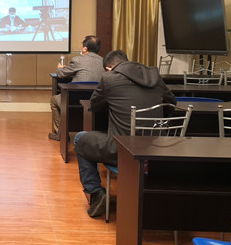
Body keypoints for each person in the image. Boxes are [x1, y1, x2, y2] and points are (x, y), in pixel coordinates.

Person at [74, 50, 176, 218]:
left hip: (123, 150)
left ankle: (96, 193)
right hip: (157, 149)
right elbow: (172, 103)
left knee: (80, 138)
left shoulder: (109, 78)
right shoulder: (155, 77)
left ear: (109, 68)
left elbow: (95, 105)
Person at [48, 35, 104, 141]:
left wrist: (59, 68)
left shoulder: (77, 60)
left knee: (54, 100)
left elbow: (62, 75)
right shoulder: (103, 61)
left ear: (85, 48)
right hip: (95, 101)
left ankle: (62, 134)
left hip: (74, 101)